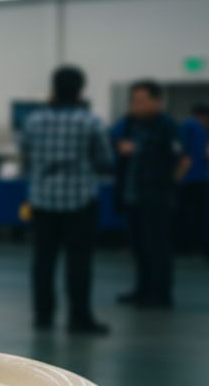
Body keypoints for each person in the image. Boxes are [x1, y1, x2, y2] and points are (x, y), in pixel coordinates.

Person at [20, 66, 112, 333]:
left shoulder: (34, 121)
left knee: (43, 261)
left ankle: (43, 316)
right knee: (79, 263)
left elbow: (26, 159)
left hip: (42, 202)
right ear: (80, 91)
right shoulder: (90, 122)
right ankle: (79, 318)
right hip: (80, 202)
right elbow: (105, 160)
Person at [112, 81, 188, 308]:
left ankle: (160, 294)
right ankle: (142, 289)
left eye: (142, 101)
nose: (137, 106)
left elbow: (182, 160)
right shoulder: (130, 124)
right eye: (134, 101)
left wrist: (168, 185)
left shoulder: (166, 125)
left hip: (157, 196)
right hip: (133, 195)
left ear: (157, 101)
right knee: (139, 247)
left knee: (158, 247)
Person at [177, 104, 209, 257]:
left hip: (189, 178)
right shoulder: (197, 128)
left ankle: (185, 245)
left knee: (186, 213)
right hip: (199, 177)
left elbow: (183, 153)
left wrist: (178, 176)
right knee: (198, 213)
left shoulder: (188, 126)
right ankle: (195, 244)